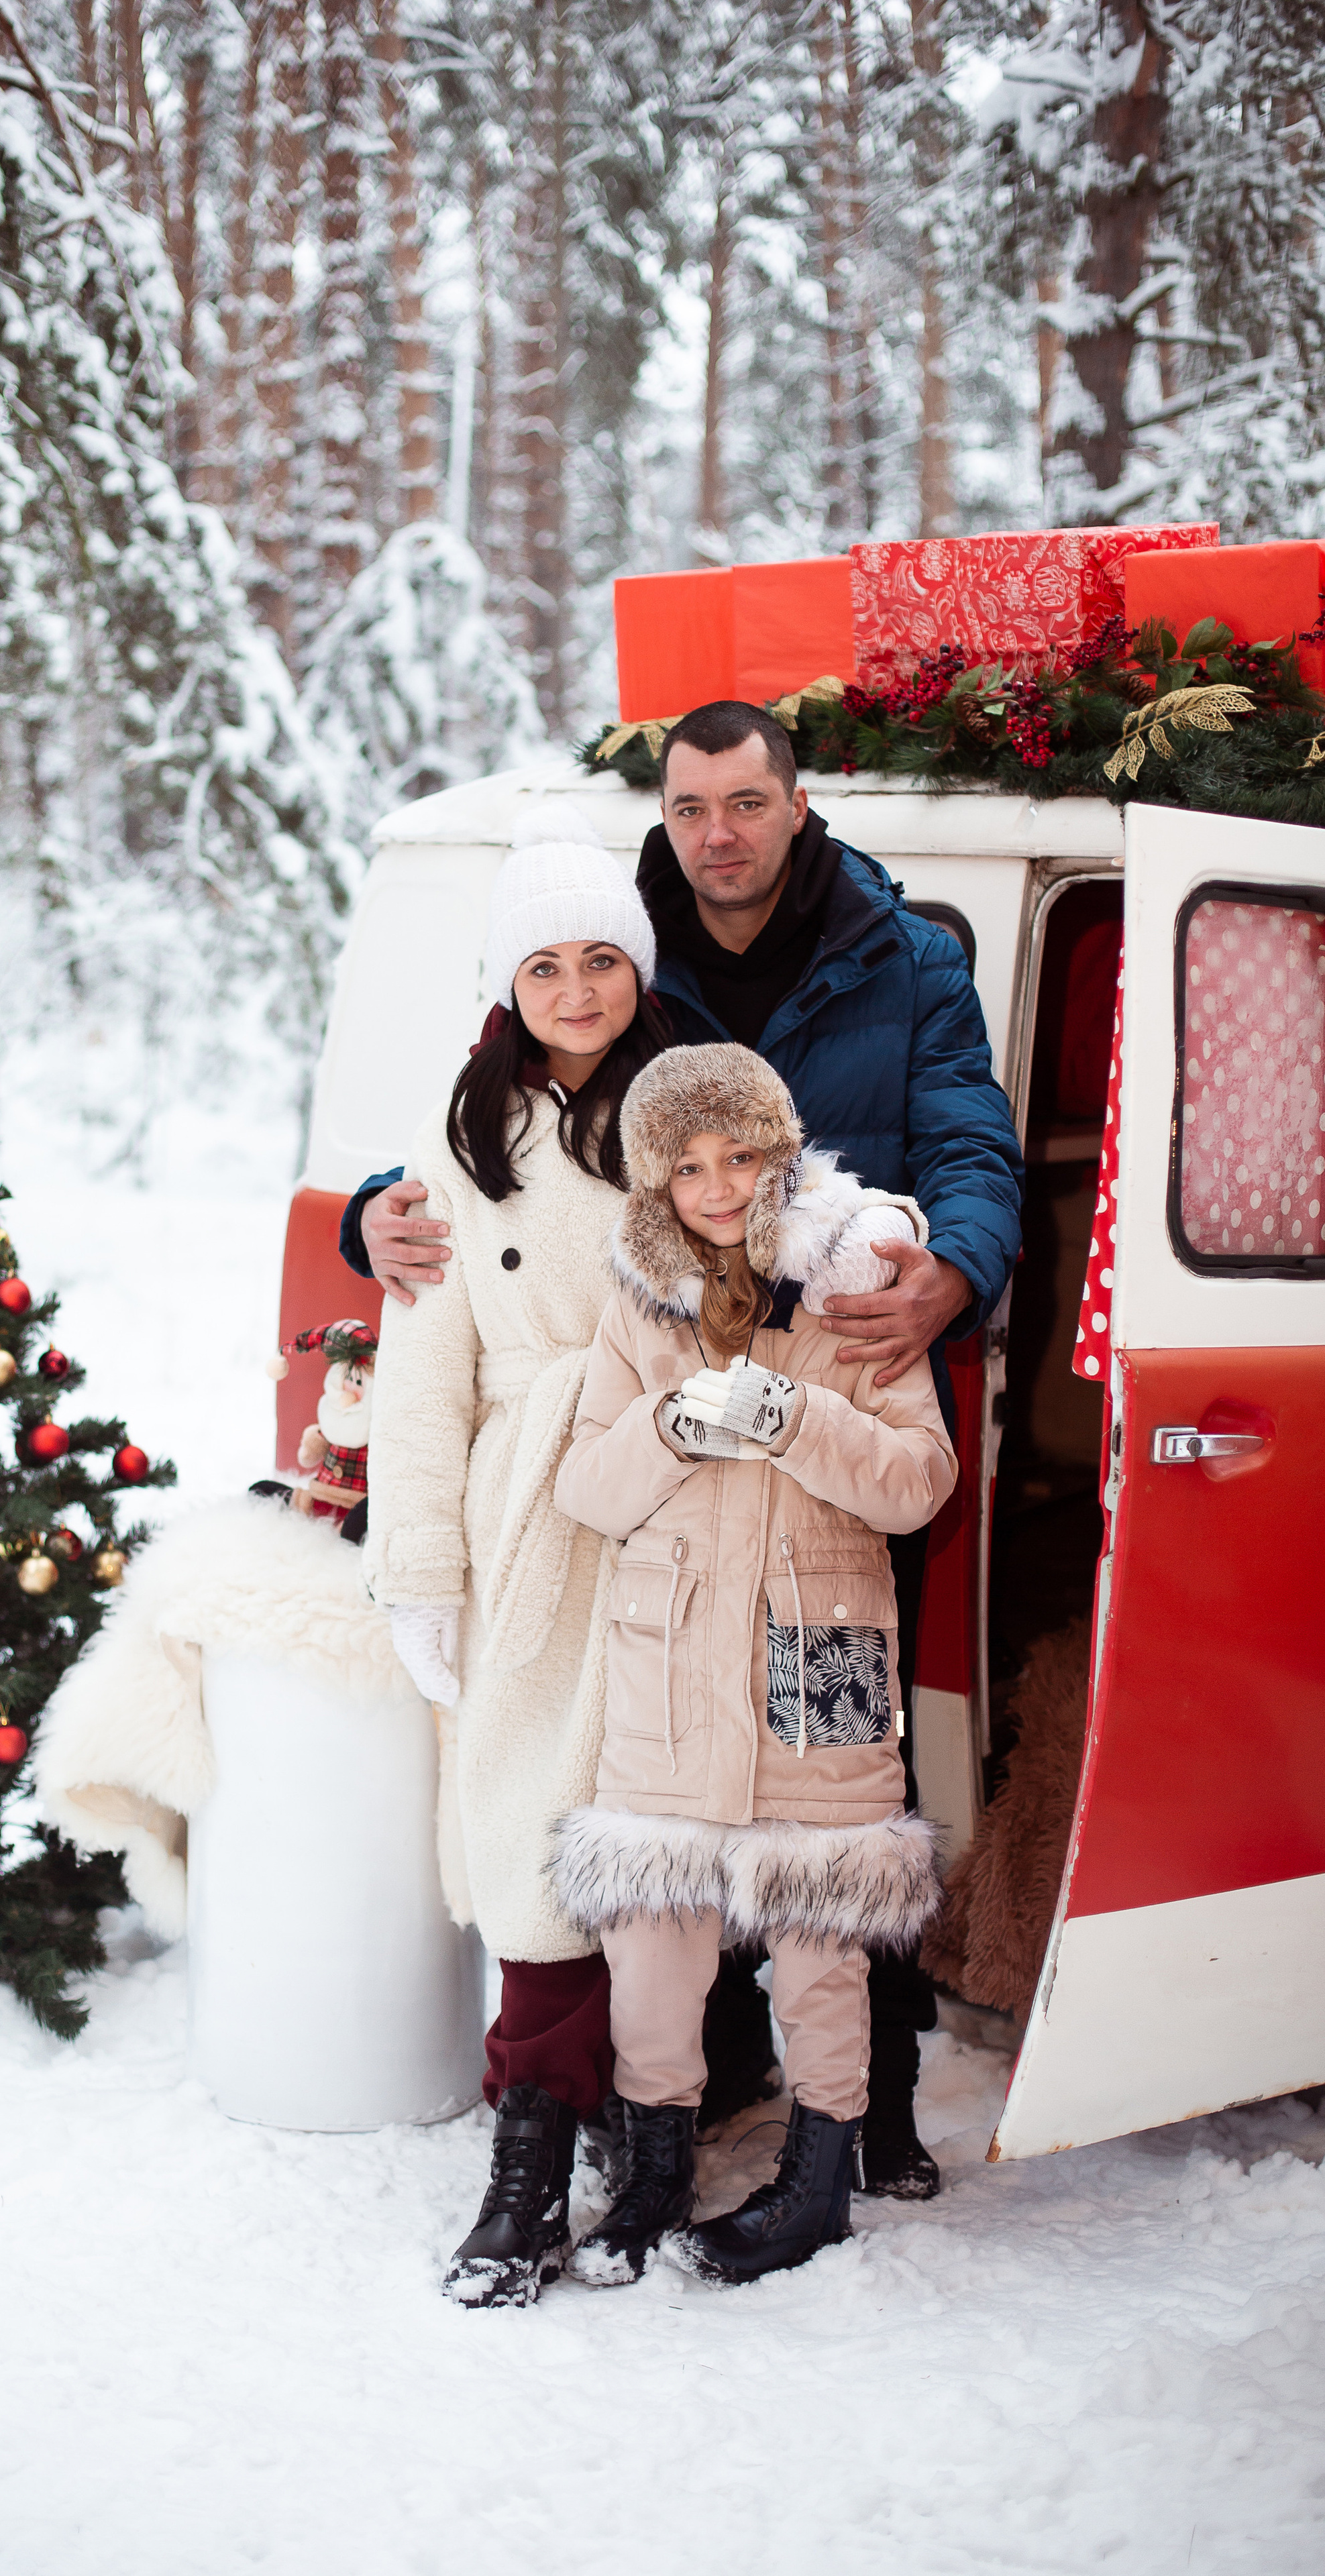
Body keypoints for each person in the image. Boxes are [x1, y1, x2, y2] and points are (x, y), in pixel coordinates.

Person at [343, 701, 1023, 2195]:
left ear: (794, 804)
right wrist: (365, 1215)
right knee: (641, 1777)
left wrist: (941, 1260)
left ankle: (864, 2106)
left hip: (826, 1429)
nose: (715, 830)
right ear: (663, 816)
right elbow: (477, 1151)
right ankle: (661, 2098)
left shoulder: (898, 965)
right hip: (632, 1473)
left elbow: (963, 1141)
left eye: (744, 801)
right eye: (690, 804)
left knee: (837, 1781)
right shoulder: (610, 947)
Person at [548, 1044, 955, 2288]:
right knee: (655, 1943)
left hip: (819, 1649)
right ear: (654, 1186)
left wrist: (796, 1421)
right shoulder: (637, 1305)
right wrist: (673, 1424)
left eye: (742, 1157)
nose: (719, 1187)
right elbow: (586, 1487)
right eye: (689, 1167)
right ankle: (653, 2169)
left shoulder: (857, 1275)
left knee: (823, 1927)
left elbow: (919, 1479)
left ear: (782, 1154)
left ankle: (818, 2178)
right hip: (669, 1662)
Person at [363, 804, 669, 2309]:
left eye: (599, 958)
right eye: (542, 965)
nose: (573, 990)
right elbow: (420, 1367)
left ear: (635, 966)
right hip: (522, 1506)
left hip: (676, 1493)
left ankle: (647, 2107)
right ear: (508, 982)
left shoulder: (688, 1102)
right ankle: (533, 2140)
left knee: (659, 1819)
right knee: (533, 1822)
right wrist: (419, 1561)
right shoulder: (463, 1127)